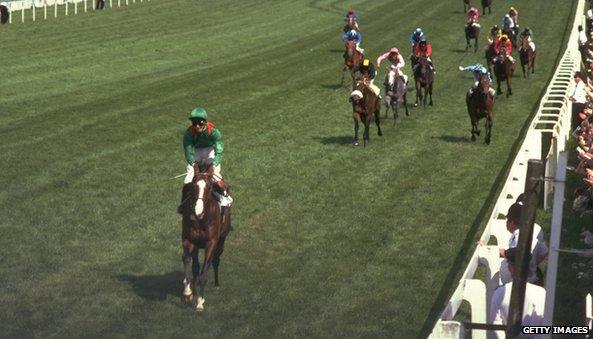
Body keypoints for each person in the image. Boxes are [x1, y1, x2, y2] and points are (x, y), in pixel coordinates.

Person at [181, 107, 232, 212]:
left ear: (205, 122)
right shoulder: (188, 134)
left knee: (215, 176)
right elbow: (188, 150)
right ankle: (183, 204)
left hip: (210, 150)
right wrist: (193, 163)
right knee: (188, 178)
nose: (197, 126)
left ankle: (224, 198)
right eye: (194, 123)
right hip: (196, 150)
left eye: (200, 122)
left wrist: (214, 164)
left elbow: (219, 149)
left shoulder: (213, 131)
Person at [488, 248, 546, 339]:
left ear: (510, 268)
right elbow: (543, 326)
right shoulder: (541, 293)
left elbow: (494, 324)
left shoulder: (499, 293)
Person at [496, 202, 549, 284]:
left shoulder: (518, 237)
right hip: (531, 279)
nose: (506, 223)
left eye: (507, 220)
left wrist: (503, 253)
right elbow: (544, 251)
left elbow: (520, 254)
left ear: (512, 222)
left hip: (518, 285)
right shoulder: (532, 230)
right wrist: (533, 264)